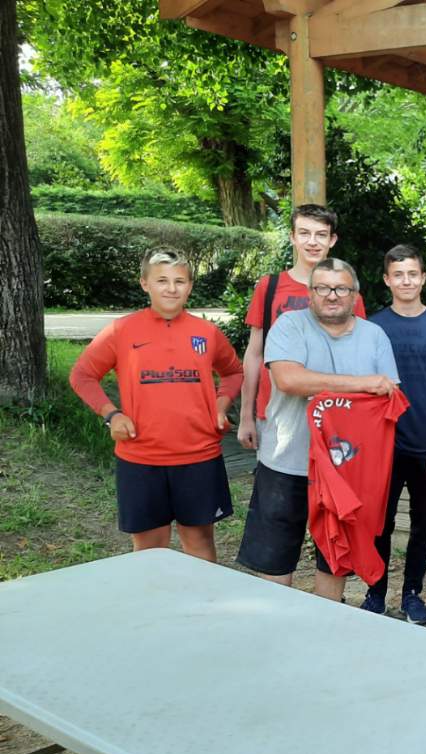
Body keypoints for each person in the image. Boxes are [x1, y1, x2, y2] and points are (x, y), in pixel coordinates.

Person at [69, 248, 244, 562]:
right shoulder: (121, 331)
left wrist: (220, 405)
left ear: (190, 286)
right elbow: (82, 375)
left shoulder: (206, 332)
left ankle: (204, 609)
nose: (171, 288)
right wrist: (112, 414)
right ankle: (154, 610)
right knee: (150, 550)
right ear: (144, 283)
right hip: (141, 457)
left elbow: (233, 371)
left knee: (199, 542)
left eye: (179, 281)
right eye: (162, 280)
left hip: (198, 456)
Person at [238, 258, 399, 599]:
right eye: (322, 287)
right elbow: (289, 379)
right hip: (287, 460)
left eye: (341, 288)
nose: (332, 295)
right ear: (310, 293)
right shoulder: (288, 326)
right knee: (276, 559)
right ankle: (278, 630)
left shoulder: (375, 336)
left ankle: (324, 632)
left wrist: (367, 387)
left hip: (346, 470)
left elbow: (388, 394)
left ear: (355, 295)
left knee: (335, 559)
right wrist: (361, 384)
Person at [362, 244, 426, 624]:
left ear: (423, 278)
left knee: (421, 524)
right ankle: (375, 591)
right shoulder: (372, 326)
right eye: (398, 274)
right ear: (387, 280)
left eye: (412, 274)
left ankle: (412, 594)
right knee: (379, 522)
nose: (406, 281)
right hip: (383, 440)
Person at [237, 205, 365, 452]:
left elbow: (357, 357)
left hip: (331, 412)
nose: (312, 242)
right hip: (276, 412)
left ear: (332, 240)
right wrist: (245, 417)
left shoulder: (348, 293)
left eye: (321, 234)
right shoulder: (270, 287)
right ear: (292, 237)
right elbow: (254, 354)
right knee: (279, 487)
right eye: (304, 233)